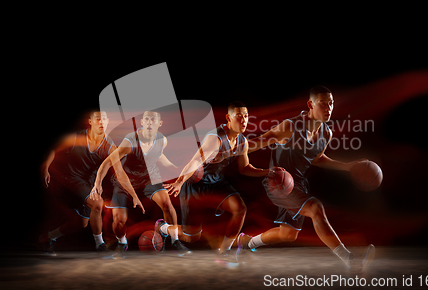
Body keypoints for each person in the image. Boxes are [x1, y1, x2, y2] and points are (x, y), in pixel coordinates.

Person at [237, 86, 375, 272]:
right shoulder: (290, 126)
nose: (328, 108)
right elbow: (255, 143)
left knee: (288, 235)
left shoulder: (326, 133)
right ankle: (350, 259)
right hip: (278, 183)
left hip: (298, 184)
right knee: (316, 208)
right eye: (323, 104)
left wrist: (346, 166)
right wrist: (229, 150)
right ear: (310, 104)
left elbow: (317, 158)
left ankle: (246, 242)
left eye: (331, 104)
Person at [164, 101, 270, 264]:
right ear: (228, 118)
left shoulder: (242, 142)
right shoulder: (215, 138)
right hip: (195, 185)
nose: (243, 120)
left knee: (240, 209)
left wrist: (268, 172)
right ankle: (162, 228)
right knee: (192, 236)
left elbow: (245, 168)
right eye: (239, 116)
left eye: (246, 116)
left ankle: (224, 251)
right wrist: (179, 182)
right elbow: (195, 161)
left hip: (216, 183)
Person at [91, 111, 190, 256]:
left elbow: (158, 154)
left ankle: (175, 240)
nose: (150, 122)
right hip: (126, 182)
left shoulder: (162, 139)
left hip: (149, 179)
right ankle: (122, 242)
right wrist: (97, 183)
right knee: (118, 220)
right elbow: (108, 162)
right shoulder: (130, 141)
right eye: (147, 119)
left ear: (159, 123)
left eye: (153, 119)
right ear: (142, 122)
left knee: (167, 204)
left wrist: (174, 167)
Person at [40, 111, 118, 255]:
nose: (102, 122)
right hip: (69, 180)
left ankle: (49, 237)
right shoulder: (77, 137)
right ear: (90, 121)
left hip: (89, 184)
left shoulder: (109, 144)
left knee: (81, 223)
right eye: (98, 119)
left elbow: (117, 167)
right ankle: (100, 244)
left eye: (105, 119)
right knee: (97, 203)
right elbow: (55, 150)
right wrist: (45, 167)